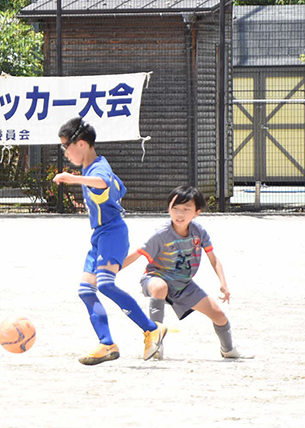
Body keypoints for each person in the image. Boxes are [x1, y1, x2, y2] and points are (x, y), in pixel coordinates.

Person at [53, 117, 167, 365]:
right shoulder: (94, 165)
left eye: (66, 146)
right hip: (100, 236)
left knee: (104, 285)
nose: (65, 152)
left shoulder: (97, 169)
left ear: (81, 144)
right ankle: (106, 344)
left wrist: (72, 179)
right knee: (86, 290)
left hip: (112, 233)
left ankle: (151, 329)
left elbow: (103, 182)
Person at [121, 186, 252, 360]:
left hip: (184, 285)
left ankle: (228, 350)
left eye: (186, 209)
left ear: (197, 212)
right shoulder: (161, 234)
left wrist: (223, 284)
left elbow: (213, 258)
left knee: (219, 316)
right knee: (160, 287)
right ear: (168, 209)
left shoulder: (199, 232)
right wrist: (109, 271)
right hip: (156, 278)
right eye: (175, 208)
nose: (179, 214)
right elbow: (136, 254)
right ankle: (156, 343)